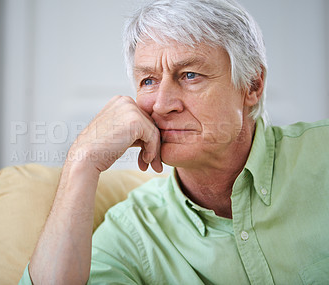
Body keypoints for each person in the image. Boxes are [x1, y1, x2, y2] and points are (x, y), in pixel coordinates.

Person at [20, 0, 329, 284]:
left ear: (252, 85)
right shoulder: (133, 233)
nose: (162, 104)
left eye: (190, 75)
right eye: (148, 81)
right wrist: (81, 160)